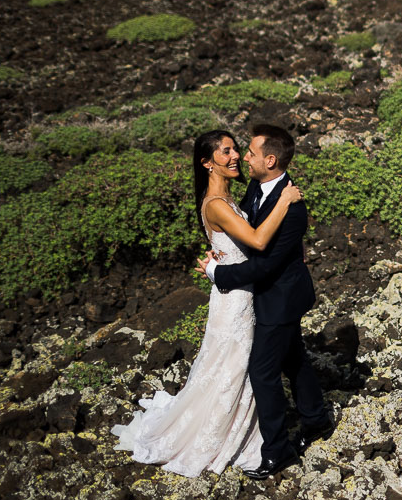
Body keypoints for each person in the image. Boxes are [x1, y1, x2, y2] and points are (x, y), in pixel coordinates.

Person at [111, 128, 306, 478]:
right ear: (207, 163)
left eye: (238, 150)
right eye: (227, 152)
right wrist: (285, 199)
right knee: (232, 369)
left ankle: (264, 426)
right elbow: (259, 240)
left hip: (245, 297)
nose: (236, 157)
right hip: (234, 302)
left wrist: (219, 265)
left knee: (236, 368)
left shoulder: (232, 196)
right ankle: (225, 435)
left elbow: (247, 235)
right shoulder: (216, 204)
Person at [198, 124, 334, 479]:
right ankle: (316, 418)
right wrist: (222, 251)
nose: (245, 158)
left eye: (252, 153)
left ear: (270, 160)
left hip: (279, 298)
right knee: (294, 359)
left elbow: (265, 261)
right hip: (264, 295)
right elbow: (242, 230)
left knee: (262, 372)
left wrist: (220, 275)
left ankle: (277, 450)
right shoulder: (255, 187)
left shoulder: (292, 207)